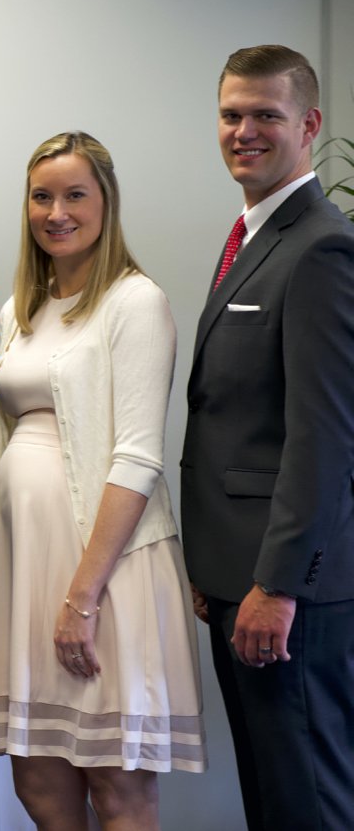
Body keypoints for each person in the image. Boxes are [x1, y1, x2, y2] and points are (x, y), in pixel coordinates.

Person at [0, 131, 207, 830]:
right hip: (22, 566)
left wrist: (83, 596)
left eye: (74, 195)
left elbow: (138, 457)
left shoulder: (135, 301)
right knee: (38, 780)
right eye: (42, 196)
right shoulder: (19, 312)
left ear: (106, 203)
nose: (56, 211)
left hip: (104, 573)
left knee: (118, 788)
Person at [182, 44, 354, 830]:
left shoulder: (320, 246)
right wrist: (214, 567)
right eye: (230, 114)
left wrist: (276, 585)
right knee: (270, 799)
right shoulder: (254, 236)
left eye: (265, 115)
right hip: (236, 578)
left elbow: (322, 438)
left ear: (310, 124)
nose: (244, 131)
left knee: (308, 800)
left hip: (290, 592)